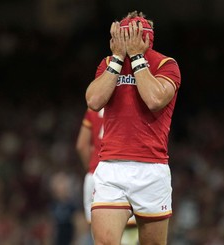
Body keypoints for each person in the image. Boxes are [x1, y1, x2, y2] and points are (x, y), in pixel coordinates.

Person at [85, 10, 181, 245]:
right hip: (111, 167)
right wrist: (117, 60)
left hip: (151, 168)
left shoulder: (167, 65)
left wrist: (137, 58)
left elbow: (155, 99)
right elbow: (93, 101)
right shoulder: (108, 64)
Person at [76, 108, 138, 244]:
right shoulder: (129, 106)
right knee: (129, 234)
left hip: (94, 177)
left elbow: (81, 145)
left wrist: (93, 167)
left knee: (99, 237)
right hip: (122, 173)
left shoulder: (94, 107)